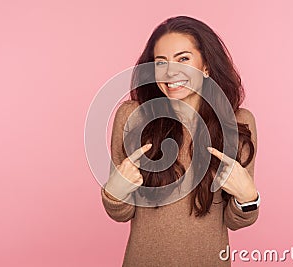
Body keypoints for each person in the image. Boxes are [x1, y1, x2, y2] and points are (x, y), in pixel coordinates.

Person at [101, 15, 260, 266]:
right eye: (160, 62)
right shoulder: (132, 116)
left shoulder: (237, 122)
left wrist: (248, 197)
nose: (170, 72)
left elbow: (235, 221)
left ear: (206, 66)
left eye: (183, 59)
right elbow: (121, 213)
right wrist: (114, 193)